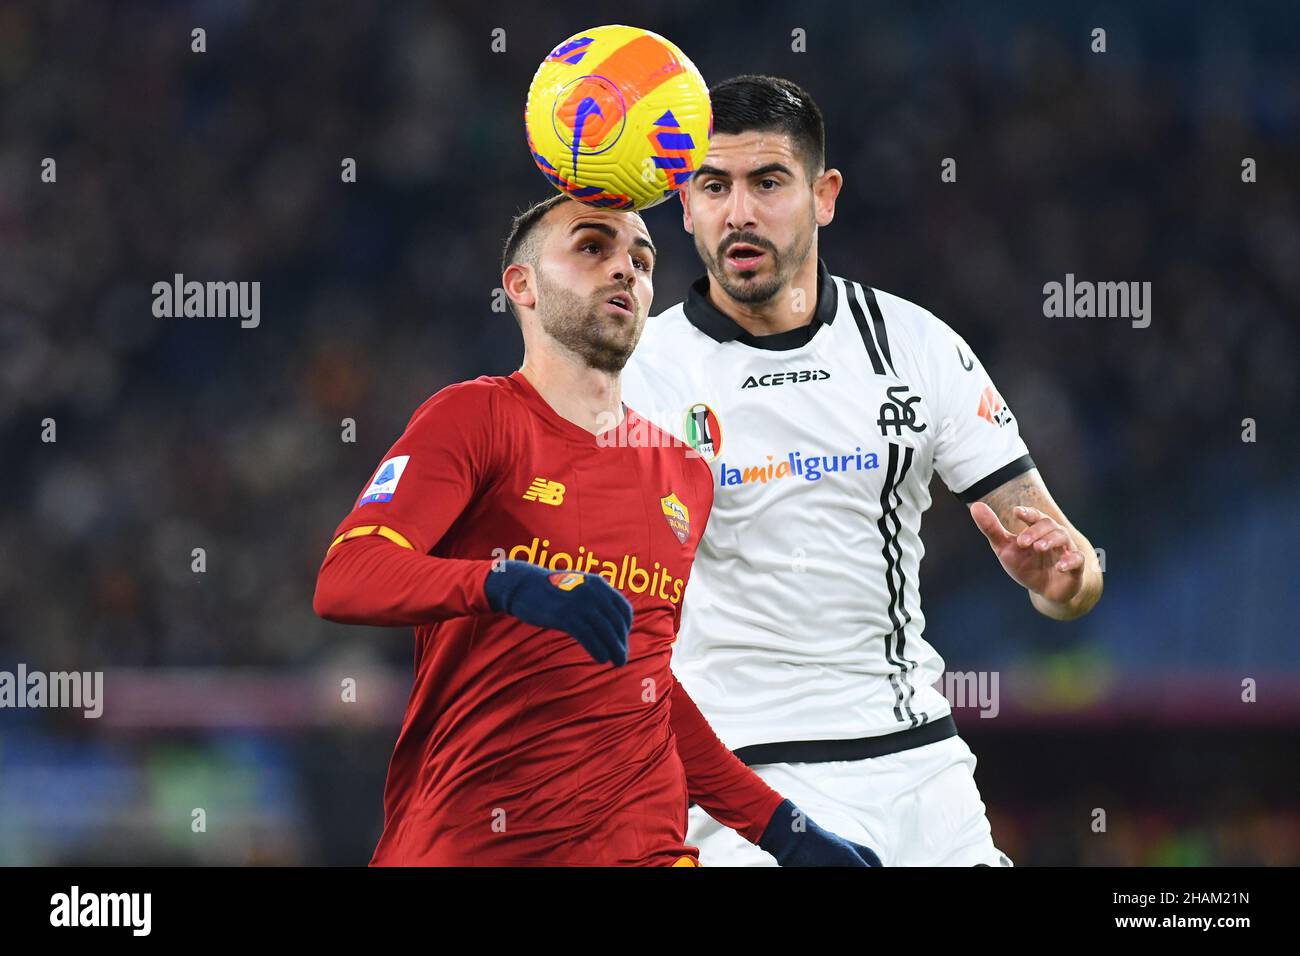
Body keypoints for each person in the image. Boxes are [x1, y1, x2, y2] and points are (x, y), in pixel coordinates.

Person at [313, 191, 881, 866]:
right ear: (521, 286)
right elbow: (346, 579)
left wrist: (781, 829)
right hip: (472, 844)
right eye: (592, 248)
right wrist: (506, 583)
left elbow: (643, 685)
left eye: (642, 260)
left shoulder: (685, 475)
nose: (627, 271)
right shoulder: (473, 419)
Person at [620, 75, 1104, 866]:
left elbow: (1071, 577)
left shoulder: (916, 346)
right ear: (685, 205)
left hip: (921, 766)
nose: (739, 212)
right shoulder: (641, 375)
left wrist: (1059, 579)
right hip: (741, 779)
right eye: (714, 186)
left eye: (768, 182)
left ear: (824, 195)